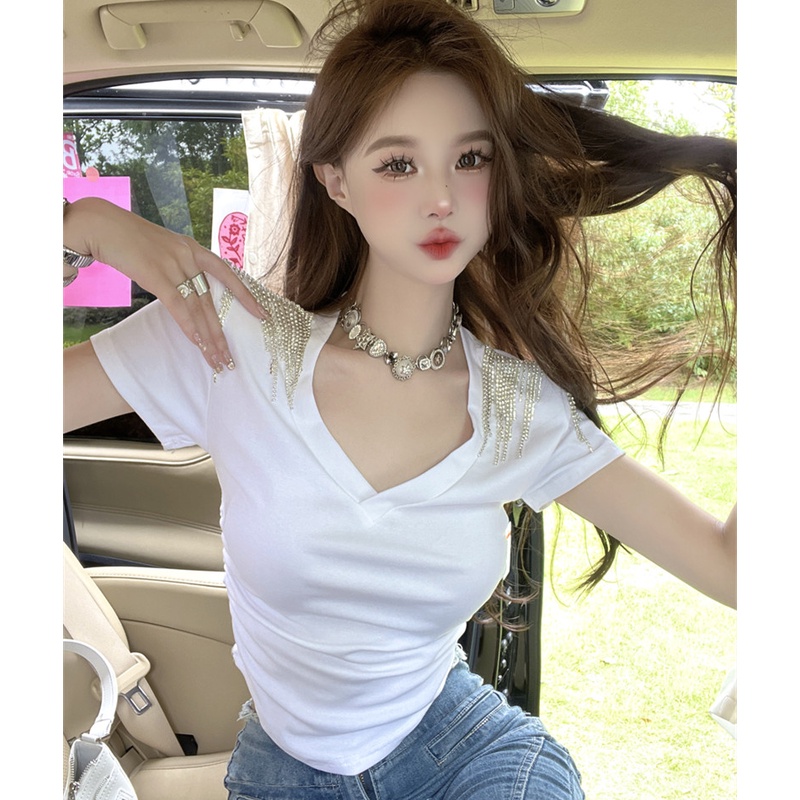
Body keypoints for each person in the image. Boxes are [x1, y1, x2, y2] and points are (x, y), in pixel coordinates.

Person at [62, 0, 736, 797]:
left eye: (471, 158)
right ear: (335, 180)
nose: (443, 197)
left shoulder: (518, 411)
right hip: (282, 772)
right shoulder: (225, 338)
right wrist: (78, 225)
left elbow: (734, 570)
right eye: (398, 164)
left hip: (467, 752)